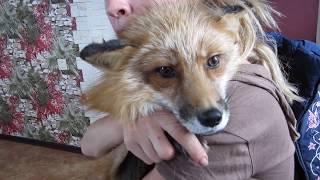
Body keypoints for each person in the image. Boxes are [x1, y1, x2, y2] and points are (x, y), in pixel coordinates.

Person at [80, 0, 299, 179]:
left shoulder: (244, 109)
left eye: (213, 62)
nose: (112, 6)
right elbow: (89, 145)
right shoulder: (145, 84)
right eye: (166, 71)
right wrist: (136, 119)